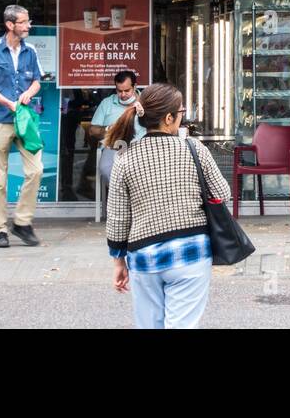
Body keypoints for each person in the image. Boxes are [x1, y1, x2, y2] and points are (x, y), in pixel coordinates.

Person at [105, 83, 231, 329]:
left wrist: (118, 262)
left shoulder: (125, 157)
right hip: (191, 254)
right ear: (169, 117)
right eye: (181, 113)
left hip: (144, 258)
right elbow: (222, 193)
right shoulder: (194, 149)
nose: (182, 119)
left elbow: (118, 217)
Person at [0, 4, 44, 248]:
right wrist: (9, 103)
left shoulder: (31, 51)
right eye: (24, 22)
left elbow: (37, 81)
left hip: (23, 120)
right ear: (10, 25)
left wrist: (28, 93)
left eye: (28, 21)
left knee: (35, 170)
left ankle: (22, 222)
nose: (28, 26)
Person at [90, 70, 143, 186]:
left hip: (141, 147)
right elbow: (92, 130)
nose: (123, 94)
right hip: (114, 146)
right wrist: (109, 129)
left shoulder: (146, 102)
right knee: (105, 168)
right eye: (119, 91)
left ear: (135, 86)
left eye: (127, 90)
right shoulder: (107, 103)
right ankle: (121, 198)